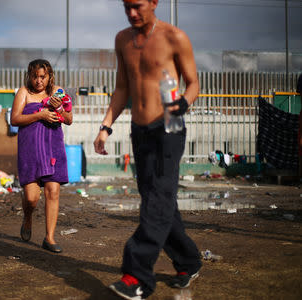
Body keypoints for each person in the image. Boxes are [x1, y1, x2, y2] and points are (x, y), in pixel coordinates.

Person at [93, 1, 201, 298]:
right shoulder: (122, 39)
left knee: (158, 198)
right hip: (140, 129)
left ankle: (137, 275)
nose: (131, 13)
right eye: (126, 6)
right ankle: (188, 260)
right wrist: (105, 126)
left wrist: (183, 104)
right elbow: (122, 88)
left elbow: (193, 84)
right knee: (156, 197)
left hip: (169, 126)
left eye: (138, 6)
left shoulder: (174, 37)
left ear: (154, 2)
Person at [11, 59, 73, 253]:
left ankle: (50, 238)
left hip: (53, 148)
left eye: (42, 77)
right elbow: (14, 119)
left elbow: (69, 120)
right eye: (35, 77)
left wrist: (59, 109)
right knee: (31, 198)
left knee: (52, 191)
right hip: (30, 150)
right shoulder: (24, 93)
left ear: (49, 76)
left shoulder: (57, 92)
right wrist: (41, 115)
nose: (39, 81)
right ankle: (28, 218)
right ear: (30, 76)